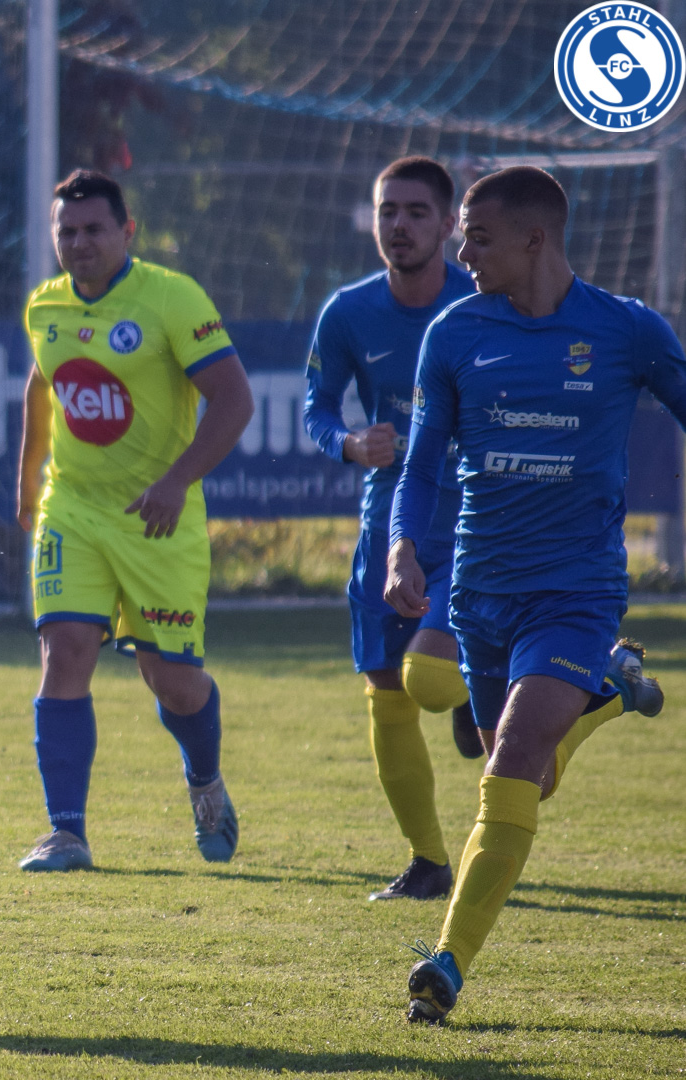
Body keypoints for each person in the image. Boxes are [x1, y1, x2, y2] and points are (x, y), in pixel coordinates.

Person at [387, 166, 677, 1024]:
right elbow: (421, 465)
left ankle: (445, 964)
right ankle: (605, 693)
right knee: (529, 775)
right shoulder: (455, 333)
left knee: (512, 758)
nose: (463, 254)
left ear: (534, 239)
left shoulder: (627, 330)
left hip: (576, 594)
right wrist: (404, 547)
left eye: (477, 238)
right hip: (480, 594)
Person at [16, 169, 255, 871]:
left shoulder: (172, 299)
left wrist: (177, 481)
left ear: (128, 231)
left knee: (171, 681)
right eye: (66, 231)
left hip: (157, 518)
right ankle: (66, 833)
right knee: (64, 654)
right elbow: (42, 386)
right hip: (74, 509)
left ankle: (204, 779)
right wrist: (27, 485)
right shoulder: (45, 306)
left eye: (94, 229)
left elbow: (234, 399)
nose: (79, 243)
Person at [302, 156, 480, 904]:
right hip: (389, 523)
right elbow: (316, 406)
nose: (398, 226)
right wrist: (347, 442)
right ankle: (428, 862)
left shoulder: (483, 303)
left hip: (474, 521)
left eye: (415, 212)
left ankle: (479, 689)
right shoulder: (348, 312)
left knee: (434, 685)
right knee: (385, 685)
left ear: (448, 224)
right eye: (387, 212)